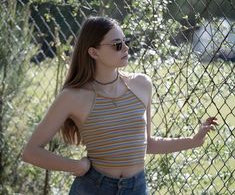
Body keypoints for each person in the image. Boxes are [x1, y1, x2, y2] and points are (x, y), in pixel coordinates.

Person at [22, 16, 218, 195]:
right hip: (94, 188)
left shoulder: (142, 84)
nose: (126, 48)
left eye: (126, 42)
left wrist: (193, 140)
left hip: (137, 188)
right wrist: (76, 166)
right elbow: (31, 152)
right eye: (117, 45)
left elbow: (147, 144)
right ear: (93, 52)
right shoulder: (73, 97)